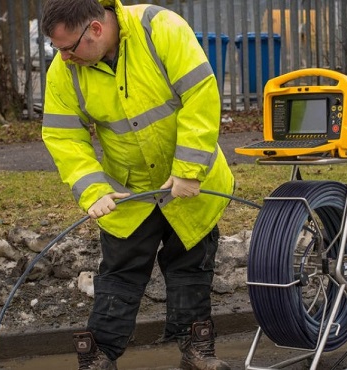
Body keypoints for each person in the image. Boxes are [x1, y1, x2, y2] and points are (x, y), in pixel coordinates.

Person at [40, 1, 235, 369]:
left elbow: (201, 95)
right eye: (57, 48)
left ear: (95, 29)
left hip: (189, 183)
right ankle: (98, 358)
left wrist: (189, 170)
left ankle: (197, 352)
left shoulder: (160, 29)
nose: (63, 57)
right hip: (128, 191)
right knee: (120, 273)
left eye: (68, 48)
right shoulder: (65, 69)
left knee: (191, 265)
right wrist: (93, 188)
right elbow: (63, 136)